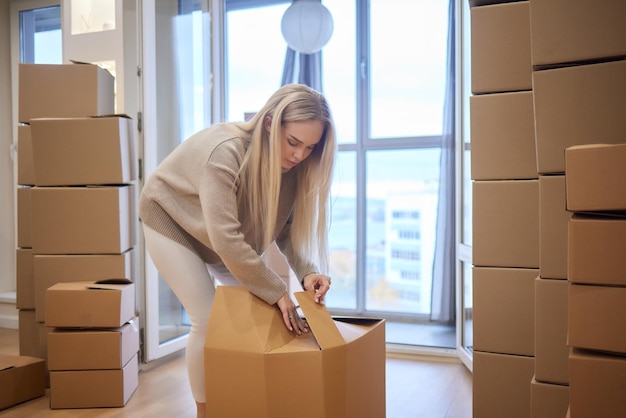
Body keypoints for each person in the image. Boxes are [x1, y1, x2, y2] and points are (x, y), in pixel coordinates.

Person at [138, 84, 336, 418]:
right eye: (293, 143)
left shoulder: (293, 169)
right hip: (171, 220)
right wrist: (275, 288)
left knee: (269, 312)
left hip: (220, 235)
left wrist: (307, 273)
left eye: (310, 147)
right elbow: (227, 238)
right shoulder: (224, 153)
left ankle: (249, 397)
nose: (300, 155)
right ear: (271, 123)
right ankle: (206, 411)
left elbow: (285, 230)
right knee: (206, 315)